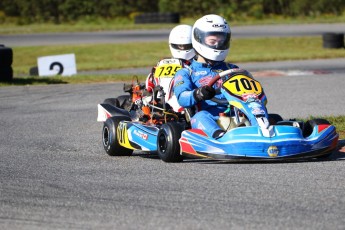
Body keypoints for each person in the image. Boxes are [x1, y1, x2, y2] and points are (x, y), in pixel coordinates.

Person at [173, 14, 239, 138]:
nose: (217, 46)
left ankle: (265, 131)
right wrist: (199, 93)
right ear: (199, 39)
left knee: (268, 116)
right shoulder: (186, 72)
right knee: (200, 116)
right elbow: (182, 97)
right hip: (208, 118)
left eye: (221, 42)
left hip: (236, 115)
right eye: (212, 41)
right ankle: (219, 137)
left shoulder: (232, 69)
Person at [144, 25, 195, 112]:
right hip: (157, 100)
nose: (182, 49)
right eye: (179, 46)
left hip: (180, 100)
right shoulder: (162, 64)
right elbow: (149, 85)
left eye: (186, 46)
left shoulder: (197, 65)